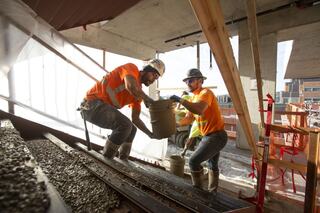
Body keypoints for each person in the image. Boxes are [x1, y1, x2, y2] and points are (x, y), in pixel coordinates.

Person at [80, 59, 165, 160]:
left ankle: (123, 159)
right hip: (91, 105)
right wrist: (147, 99)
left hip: (101, 108)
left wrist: (149, 134)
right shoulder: (131, 68)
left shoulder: (138, 94)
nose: (153, 81)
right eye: (154, 76)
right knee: (125, 125)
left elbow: (135, 119)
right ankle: (107, 159)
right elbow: (130, 86)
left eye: (156, 79)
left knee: (132, 129)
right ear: (147, 69)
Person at [170, 68, 227, 192]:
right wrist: (175, 125)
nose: (188, 83)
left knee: (193, 161)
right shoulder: (194, 98)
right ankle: (213, 192)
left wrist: (180, 100)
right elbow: (189, 118)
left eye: (191, 80)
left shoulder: (206, 93)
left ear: (200, 81)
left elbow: (199, 109)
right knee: (212, 164)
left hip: (216, 136)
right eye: (186, 81)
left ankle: (198, 191)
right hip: (208, 136)